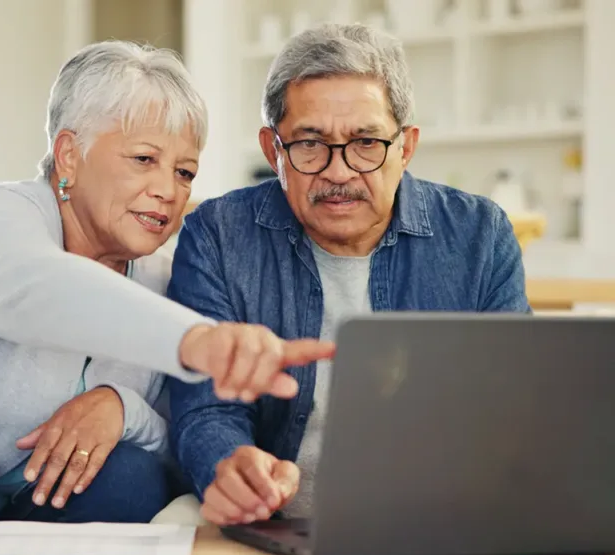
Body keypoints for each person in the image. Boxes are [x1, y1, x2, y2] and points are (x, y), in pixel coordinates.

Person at [0, 40, 334, 524]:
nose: (167, 190)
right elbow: (41, 291)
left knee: (131, 477)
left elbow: (183, 436)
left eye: (184, 173)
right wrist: (197, 339)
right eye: (144, 159)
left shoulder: (159, 279)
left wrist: (119, 407)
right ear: (69, 154)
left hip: (7, 504)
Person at [166, 23, 531, 526]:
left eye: (365, 143)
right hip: (271, 524)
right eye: (310, 144)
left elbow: (513, 407)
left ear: (405, 148)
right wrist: (229, 464)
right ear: (274, 152)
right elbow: (205, 408)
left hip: (438, 521)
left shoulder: (479, 235)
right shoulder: (218, 235)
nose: (339, 172)